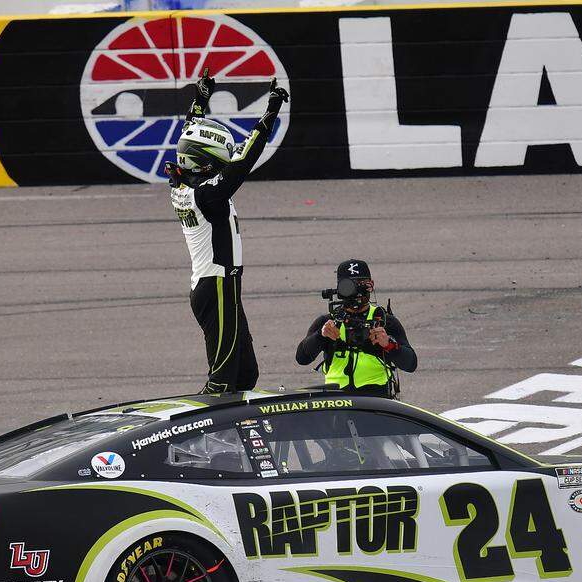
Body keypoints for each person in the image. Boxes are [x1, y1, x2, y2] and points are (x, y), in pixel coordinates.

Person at [166, 71, 289, 394]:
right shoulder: (208, 195)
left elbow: (191, 132)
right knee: (221, 381)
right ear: (205, 165)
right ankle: (199, 437)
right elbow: (243, 162)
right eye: (216, 164)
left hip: (222, 287)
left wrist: (201, 98)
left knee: (246, 374)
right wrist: (270, 114)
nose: (222, 168)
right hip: (216, 287)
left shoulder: (188, 180)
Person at [295, 259, 417, 398]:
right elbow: (302, 358)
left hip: (376, 397)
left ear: (371, 285)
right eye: (351, 286)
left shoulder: (384, 321)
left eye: (364, 285)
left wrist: (389, 344)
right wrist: (320, 335)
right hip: (336, 397)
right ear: (340, 289)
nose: (358, 292)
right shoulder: (328, 322)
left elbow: (411, 364)